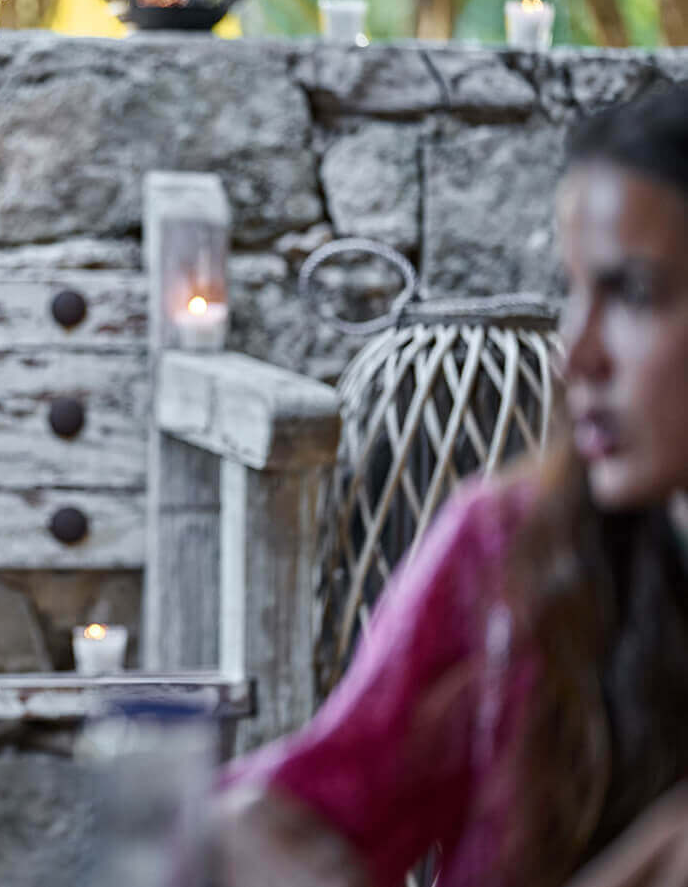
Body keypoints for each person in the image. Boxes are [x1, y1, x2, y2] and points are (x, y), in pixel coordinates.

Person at [211, 84, 688, 887]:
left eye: (634, 294)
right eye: (575, 290)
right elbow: (264, 820)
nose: (576, 357)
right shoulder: (511, 547)